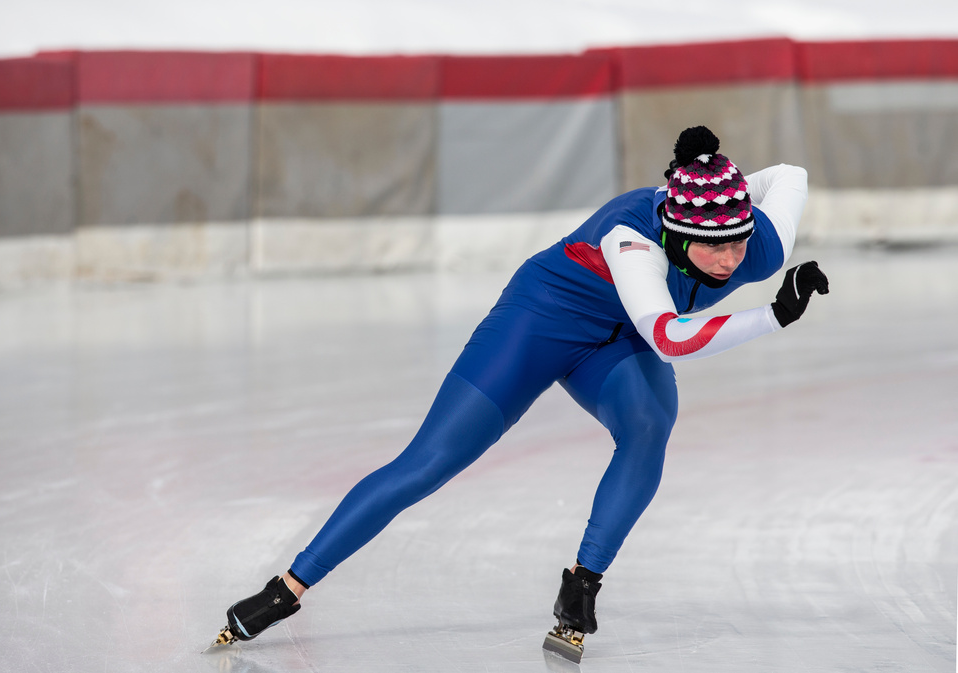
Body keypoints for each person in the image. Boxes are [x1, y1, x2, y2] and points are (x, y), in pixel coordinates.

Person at [208, 125, 829, 657]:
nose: (729, 260)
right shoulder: (631, 239)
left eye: (739, 240)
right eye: (714, 245)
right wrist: (771, 317)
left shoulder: (758, 244)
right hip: (543, 320)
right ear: (672, 230)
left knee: (648, 427)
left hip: (618, 341)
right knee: (430, 463)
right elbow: (670, 337)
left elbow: (791, 173)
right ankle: (286, 589)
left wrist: (718, 182)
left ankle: (581, 585)